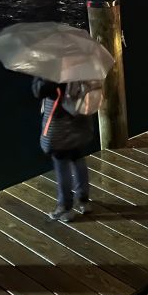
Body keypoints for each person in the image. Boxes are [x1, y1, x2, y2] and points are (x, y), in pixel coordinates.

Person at [32, 77, 94, 221]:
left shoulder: (54, 72)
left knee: (62, 166)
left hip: (60, 127)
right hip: (80, 122)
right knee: (78, 158)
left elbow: (39, 90)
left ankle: (65, 208)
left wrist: (38, 76)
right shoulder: (81, 68)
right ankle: (83, 201)